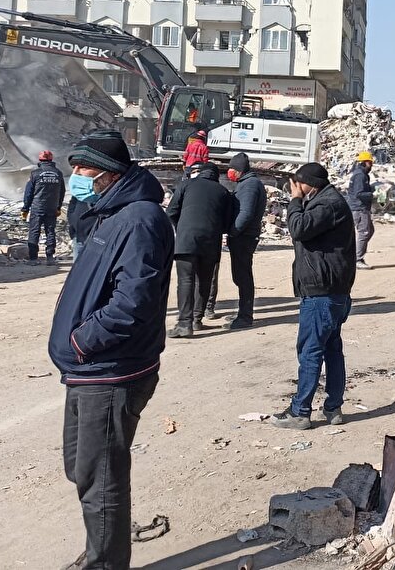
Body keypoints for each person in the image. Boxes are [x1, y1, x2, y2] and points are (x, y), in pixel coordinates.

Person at [48, 129, 173, 570]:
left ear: (109, 172)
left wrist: (82, 341)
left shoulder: (140, 220)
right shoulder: (111, 212)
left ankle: (105, 562)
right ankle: (103, 548)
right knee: (81, 468)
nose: (76, 176)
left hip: (110, 369)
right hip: (88, 368)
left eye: (83, 168)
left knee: (100, 479)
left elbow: (132, 304)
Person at [272, 162, 355, 430]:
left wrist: (295, 201)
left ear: (311, 184)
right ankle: (333, 407)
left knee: (310, 350)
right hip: (330, 290)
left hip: (323, 292)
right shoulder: (325, 201)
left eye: (299, 183)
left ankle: (300, 411)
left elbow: (298, 228)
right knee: (331, 349)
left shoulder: (327, 204)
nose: (295, 187)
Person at [165, 162, 233, 339]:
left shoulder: (186, 185)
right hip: (211, 242)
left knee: (186, 280)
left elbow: (171, 212)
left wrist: (183, 227)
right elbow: (227, 223)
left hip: (186, 240)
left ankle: (184, 324)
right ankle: (196, 320)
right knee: (204, 281)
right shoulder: (224, 192)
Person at [222, 152, 265, 329]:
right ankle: (243, 312)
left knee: (243, 276)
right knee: (240, 276)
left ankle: (245, 317)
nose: (229, 172)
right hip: (243, 236)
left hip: (244, 237)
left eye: (232, 169)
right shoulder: (246, 183)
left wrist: (232, 232)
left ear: (239, 170)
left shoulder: (250, 185)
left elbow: (245, 213)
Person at [23, 150, 64, 265]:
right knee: (50, 231)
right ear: (51, 160)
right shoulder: (58, 173)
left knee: (34, 231)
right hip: (52, 208)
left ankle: (33, 259)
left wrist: (25, 208)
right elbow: (62, 192)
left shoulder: (35, 173)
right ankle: (50, 257)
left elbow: (28, 193)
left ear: (40, 160)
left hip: (37, 207)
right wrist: (58, 207)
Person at [345, 151, 376, 268]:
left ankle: (355, 254)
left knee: (370, 231)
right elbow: (359, 193)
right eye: (370, 163)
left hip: (361, 207)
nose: (371, 165)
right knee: (364, 232)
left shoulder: (362, 174)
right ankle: (358, 259)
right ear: (364, 162)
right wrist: (373, 195)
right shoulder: (360, 175)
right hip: (359, 208)